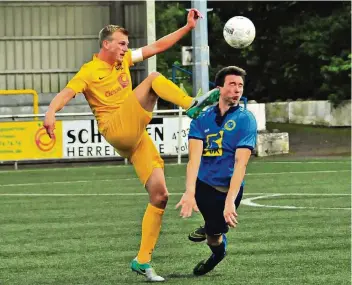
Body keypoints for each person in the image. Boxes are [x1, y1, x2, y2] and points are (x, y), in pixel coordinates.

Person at [43, 8, 220, 282]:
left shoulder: (122, 61)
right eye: (122, 44)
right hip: (115, 128)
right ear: (106, 44)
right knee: (151, 80)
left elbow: (157, 46)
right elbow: (66, 93)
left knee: (160, 196)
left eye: (127, 44)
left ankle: (142, 261)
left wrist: (187, 28)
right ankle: (191, 106)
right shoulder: (89, 71)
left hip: (135, 136)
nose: (126, 48)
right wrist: (50, 113)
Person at [176, 66, 257, 276]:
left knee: (214, 236)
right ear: (219, 88)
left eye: (240, 85)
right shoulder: (202, 119)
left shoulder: (246, 119)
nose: (237, 89)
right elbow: (194, 160)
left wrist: (230, 201)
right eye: (232, 84)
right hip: (204, 186)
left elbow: (241, 164)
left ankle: (217, 254)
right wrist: (190, 192)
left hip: (229, 188)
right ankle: (211, 227)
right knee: (213, 231)